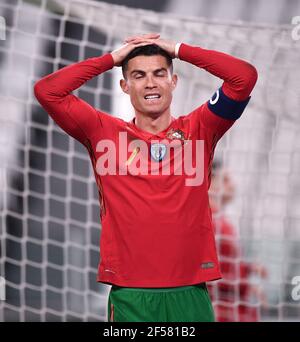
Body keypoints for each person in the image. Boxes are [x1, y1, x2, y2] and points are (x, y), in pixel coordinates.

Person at [34, 33, 258, 322]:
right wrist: (111, 59)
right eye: (139, 76)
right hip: (131, 296)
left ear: (173, 82)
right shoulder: (102, 132)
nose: (150, 83)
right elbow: (47, 91)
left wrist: (178, 50)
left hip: (190, 293)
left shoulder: (201, 128)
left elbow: (244, 77)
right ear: (125, 86)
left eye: (159, 73)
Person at [208, 160, 267, 321]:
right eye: (226, 179)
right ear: (209, 181)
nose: (233, 185)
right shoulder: (212, 221)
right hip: (222, 311)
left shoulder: (219, 220)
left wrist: (246, 270)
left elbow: (220, 266)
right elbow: (207, 273)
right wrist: (246, 283)